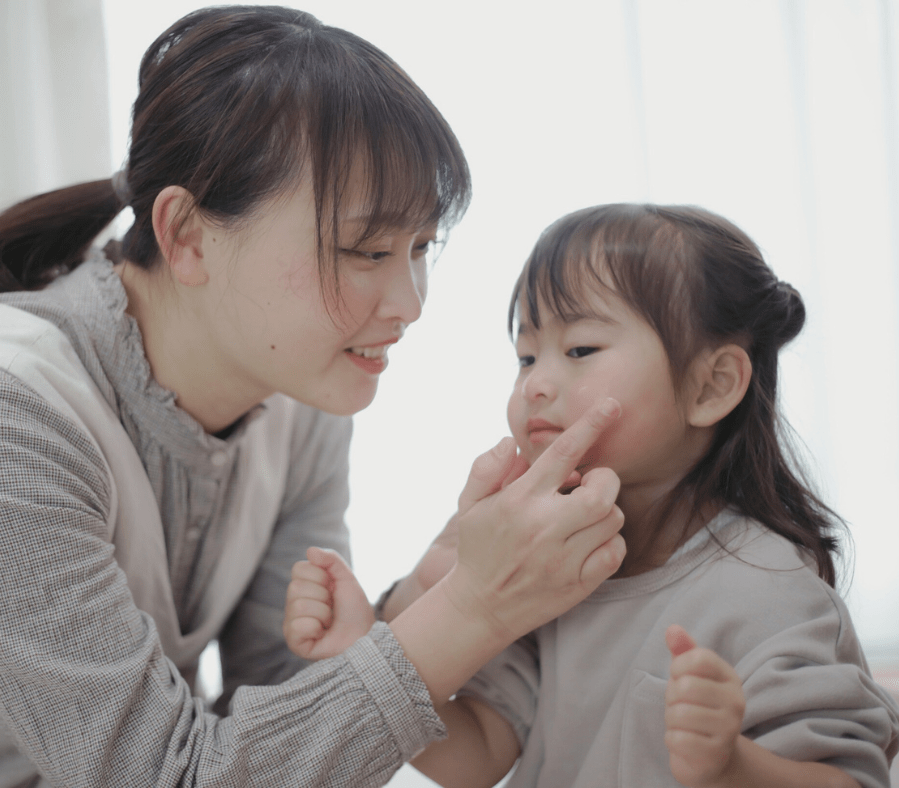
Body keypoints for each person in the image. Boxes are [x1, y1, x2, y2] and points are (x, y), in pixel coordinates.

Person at [0, 7, 630, 786]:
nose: (410, 302)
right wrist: (475, 610)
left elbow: (276, 702)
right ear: (186, 236)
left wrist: (419, 595)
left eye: (420, 249)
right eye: (367, 249)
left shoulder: (297, 401)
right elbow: (163, 774)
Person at [284, 203, 899, 788]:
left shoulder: (768, 585)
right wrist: (365, 651)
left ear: (711, 387)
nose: (536, 385)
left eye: (579, 349)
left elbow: (852, 776)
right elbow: (480, 755)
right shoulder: (550, 568)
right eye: (526, 356)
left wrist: (731, 766)